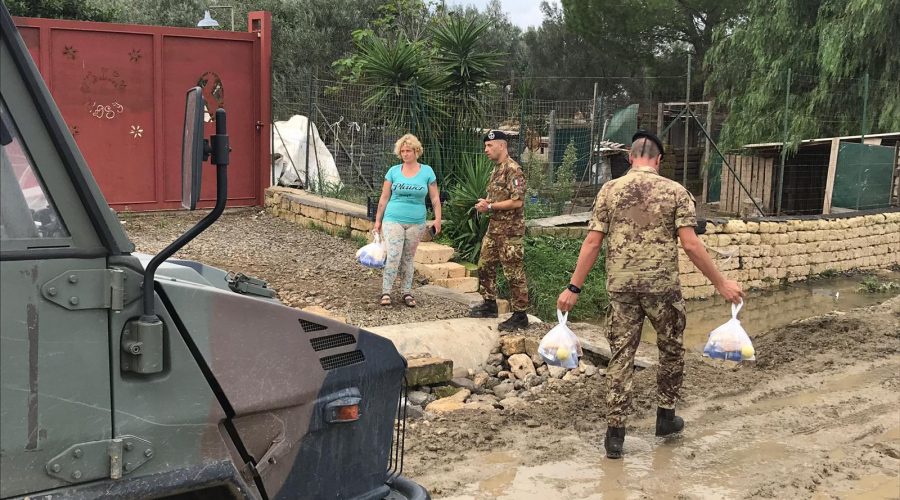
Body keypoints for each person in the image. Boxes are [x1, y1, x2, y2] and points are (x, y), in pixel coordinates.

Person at [556, 130, 744, 459]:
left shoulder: (609, 191)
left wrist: (573, 287)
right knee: (670, 353)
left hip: (623, 290)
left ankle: (615, 437)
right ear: (658, 160)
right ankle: (665, 418)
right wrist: (721, 283)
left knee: (621, 359)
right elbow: (690, 244)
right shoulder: (676, 192)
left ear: (630, 157)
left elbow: (592, 243)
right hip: (662, 289)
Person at [469, 130, 530, 331]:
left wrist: (491, 207)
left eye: (489, 146)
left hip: (510, 232)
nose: (486, 150)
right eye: (485, 146)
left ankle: (520, 315)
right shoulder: (496, 170)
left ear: (501, 146)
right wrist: (487, 203)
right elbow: (497, 198)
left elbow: (517, 201)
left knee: (513, 272)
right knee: (484, 265)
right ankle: (489, 304)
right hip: (494, 229)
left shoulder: (513, 169)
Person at [374, 133, 441, 307]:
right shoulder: (394, 171)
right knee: (394, 255)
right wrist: (378, 220)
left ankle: (406, 292)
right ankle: (386, 291)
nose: (405, 154)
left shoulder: (427, 171)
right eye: (402, 151)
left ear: (416, 151)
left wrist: (437, 219)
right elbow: (384, 197)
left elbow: (434, 198)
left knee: (408, 258)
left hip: (416, 221)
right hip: (393, 218)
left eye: (408, 150)